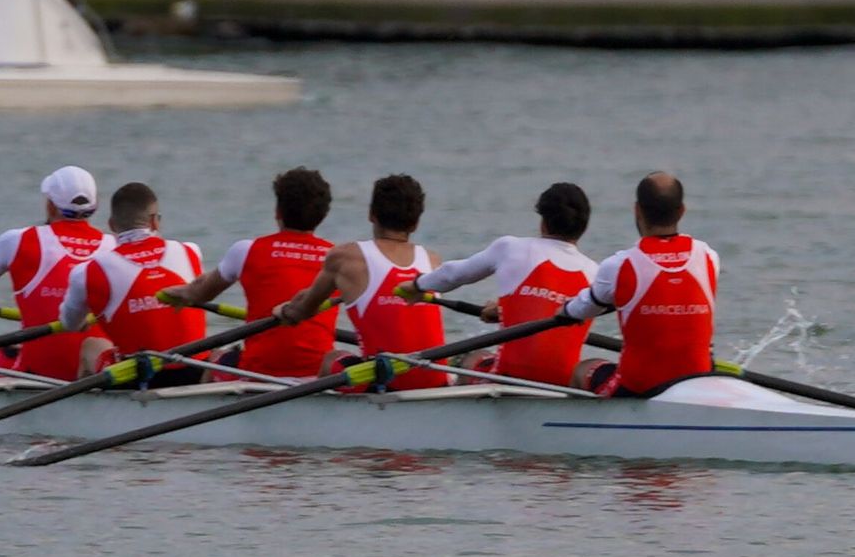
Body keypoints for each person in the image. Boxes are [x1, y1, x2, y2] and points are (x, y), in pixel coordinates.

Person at [397, 182, 597, 387]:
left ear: (543, 222)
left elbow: (452, 275)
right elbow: (551, 306)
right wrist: (507, 310)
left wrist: (416, 286)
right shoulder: (596, 274)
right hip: (561, 384)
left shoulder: (511, 248)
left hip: (507, 377)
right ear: (584, 226)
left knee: (472, 359)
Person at [160, 167, 337, 379]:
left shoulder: (247, 250)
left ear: (277, 212)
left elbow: (201, 293)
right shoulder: (338, 260)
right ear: (323, 215)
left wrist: (182, 293)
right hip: (317, 374)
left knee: (216, 357)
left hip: (257, 371)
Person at [0, 165, 114, 381]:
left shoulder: (19, 240)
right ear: (95, 207)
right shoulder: (114, 247)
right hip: (94, 369)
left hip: (36, 372)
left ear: (50, 205)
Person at [276, 174, 448, 391]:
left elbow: (303, 312)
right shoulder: (432, 260)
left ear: (371, 215)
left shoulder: (346, 257)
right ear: (415, 223)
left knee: (333, 358)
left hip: (385, 381)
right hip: (434, 381)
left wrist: (285, 310)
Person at [561, 172, 720, 397]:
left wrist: (563, 310)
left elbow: (579, 311)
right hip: (696, 380)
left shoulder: (619, 265)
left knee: (582, 369)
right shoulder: (708, 257)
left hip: (637, 387)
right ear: (682, 210)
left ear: (637, 210)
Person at [58, 182, 206, 386]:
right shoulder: (191, 252)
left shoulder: (87, 271)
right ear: (155, 222)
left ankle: (88, 411)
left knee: (91, 345)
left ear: (111, 225)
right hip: (196, 371)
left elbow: (70, 325)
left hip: (137, 376)